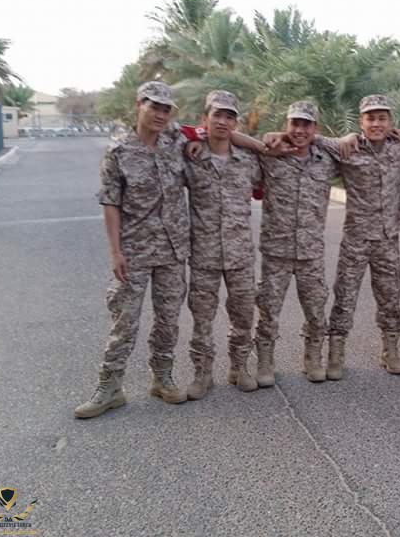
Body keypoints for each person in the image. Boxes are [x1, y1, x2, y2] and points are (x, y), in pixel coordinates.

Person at [75, 81, 190, 418]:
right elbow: (111, 203)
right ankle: (110, 387)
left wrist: (268, 139)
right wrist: (115, 252)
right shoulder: (119, 151)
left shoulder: (177, 141)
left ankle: (162, 378)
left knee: (168, 320)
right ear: (139, 105)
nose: (160, 114)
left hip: (172, 250)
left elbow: (219, 132)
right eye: (154, 106)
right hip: (135, 250)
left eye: (166, 109)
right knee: (124, 322)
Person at [254, 101, 341, 385]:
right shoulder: (271, 156)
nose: (300, 130)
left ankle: (313, 358)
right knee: (268, 311)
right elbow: (239, 143)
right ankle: (265, 362)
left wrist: (323, 139)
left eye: (306, 125)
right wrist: (270, 137)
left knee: (316, 311)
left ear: (316, 128)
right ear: (286, 125)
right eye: (294, 124)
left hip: (310, 252)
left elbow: (351, 143)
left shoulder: (327, 161)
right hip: (276, 252)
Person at [324, 95, 400, 379]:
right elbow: (309, 139)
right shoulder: (347, 148)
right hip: (356, 239)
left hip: (387, 240)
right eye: (370, 118)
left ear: (390, 122)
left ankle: (391, 350)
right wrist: (345, 137)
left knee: (390, 297)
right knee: (345, 296)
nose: (376, 124)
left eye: (382, 118)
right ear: (361, 122)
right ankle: (336, 353)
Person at [184, 90, 262, 399]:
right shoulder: (190, 156)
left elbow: (274, 152)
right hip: (204, 254)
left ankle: (239, 367)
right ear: (204, 119)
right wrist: (192, 136)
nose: (223, 121)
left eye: (230, 117)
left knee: (243, 313)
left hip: (240, 253)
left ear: (236, 124)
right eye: (217, 115)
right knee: (202, 317)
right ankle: (202, 373)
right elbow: (167, 131)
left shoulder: (248, 161)